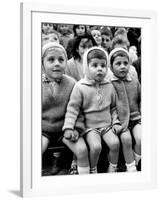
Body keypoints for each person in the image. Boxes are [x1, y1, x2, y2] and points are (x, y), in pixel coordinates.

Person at [63, 47, 122, 173]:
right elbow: (73, 109)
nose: (99, 68)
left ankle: (113, 168)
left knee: (115, 143)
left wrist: (116, 122)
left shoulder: (109, 85)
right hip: (90, 127)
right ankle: (93, 169)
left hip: (107, 126)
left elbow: (114, 107)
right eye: (94, 65)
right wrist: (69, 127)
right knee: (96, 147)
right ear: (86, 67)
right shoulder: (80, 86)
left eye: (103, 65)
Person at [42, 42, 89, 175]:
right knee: (34, 150)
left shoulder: (71, 83)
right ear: (42, 63)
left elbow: (77, 110)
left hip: (65, 128)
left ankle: (85, 180)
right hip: (43, 129)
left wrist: (76, 128)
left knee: (82, 150)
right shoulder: (34, 83)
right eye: (51, 59)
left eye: (61, 59)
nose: (57, 63)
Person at [109, 47, 141, 172]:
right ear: (111, 67)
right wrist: (115, 122)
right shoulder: (109, 84)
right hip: (121, 122)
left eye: (125, 63)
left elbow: (141, 99)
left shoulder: (134, 81)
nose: (123, 66)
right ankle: (130, 166)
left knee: (140, 139)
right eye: (118, 63)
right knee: (126, 139)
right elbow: (110, 107)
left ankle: (137, 160)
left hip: (135, 118)